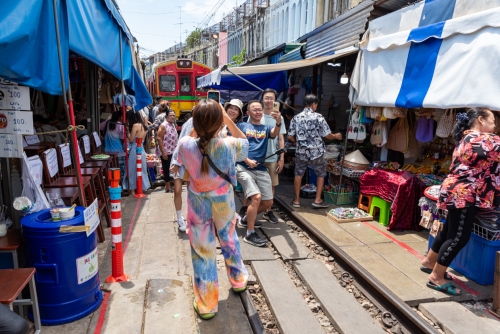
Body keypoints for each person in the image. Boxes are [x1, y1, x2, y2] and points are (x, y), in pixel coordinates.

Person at [176, 99, 249, 320]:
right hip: (223, 202)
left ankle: (207, 304)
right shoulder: (228, 145)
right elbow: (245, 145)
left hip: (197, 203)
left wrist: (204, 120)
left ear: (194, 122)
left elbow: (194, 139)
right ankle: (238, 280)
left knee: (202, 251)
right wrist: (226, 119)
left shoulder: (185, 145)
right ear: (220, 122)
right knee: (228, 238)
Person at [421, 108, 500, 296]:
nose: (496, 125)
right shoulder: (485, 140)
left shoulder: (467, 138)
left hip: (456, 191)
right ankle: (436, 277)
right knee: (459, 237)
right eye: (493, 120)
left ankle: (430, 262)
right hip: (465, 194)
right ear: (481, 120)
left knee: (449, 229)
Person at [236, 100, 282, 246]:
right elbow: (235, 146)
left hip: (261, 168)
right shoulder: (242, 126)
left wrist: (279, 121)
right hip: (243, 166)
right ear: (248, 113)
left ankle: (245, 219)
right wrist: (246, 159)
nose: (258, 111)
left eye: (260, 109)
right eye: (254, 109)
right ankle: (249, 234)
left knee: (268, 201)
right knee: (256, 197)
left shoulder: (266, 128)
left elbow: (275, 133)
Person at [288, 94, 342, 208]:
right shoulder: (319, 117)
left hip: (301, 152)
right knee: (321, 174)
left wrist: (299, 141)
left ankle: (297, 201)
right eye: (316, 104)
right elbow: (327, 135)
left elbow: (290, 137)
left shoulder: (296, 118)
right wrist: (336, 136)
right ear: (313, 104)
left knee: (298, 174)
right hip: (316, 152)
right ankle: (317, 200)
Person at [252, 88, 286, 223]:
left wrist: (281, 158)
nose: (269, 101)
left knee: (271, 185)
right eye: (266, 98)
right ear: (262, 99)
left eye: (271, 98)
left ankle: (268, 210)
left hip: (272, 156)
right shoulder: (256, 114)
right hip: (257, 156)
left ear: (275, 101)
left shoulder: (279, 117)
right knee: (254, 184)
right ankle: (251, 208)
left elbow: (281, 138)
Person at [123, 109, 151, 195]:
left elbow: (131, 140)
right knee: (142, 169)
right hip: (141, 150)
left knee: (132, 170)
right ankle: (142, 187)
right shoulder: (144, 126)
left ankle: (132, 189)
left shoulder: (135, 126)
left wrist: (128, 132)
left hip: (134, 150)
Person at [100, 112, 126, 185]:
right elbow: (123, 139)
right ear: (120, 117)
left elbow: (99, 127)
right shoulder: (121, 126)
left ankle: (112, 185)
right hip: (119, 152)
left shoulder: (106, 123)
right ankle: (121, 187)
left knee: (110, 172)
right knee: (120, 172)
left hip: (107, 152)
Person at [157, 111, 178, 193]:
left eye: (174, 115)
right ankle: (168, 185)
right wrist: (163, 152)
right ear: (166, 116)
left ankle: (170, 184)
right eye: (170, 115)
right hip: (166, 151)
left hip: (173, 150)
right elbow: (159, 138)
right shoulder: (163, 125)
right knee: (166, 168)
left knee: (172, 168)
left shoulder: (172, 124)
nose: (172, 117)